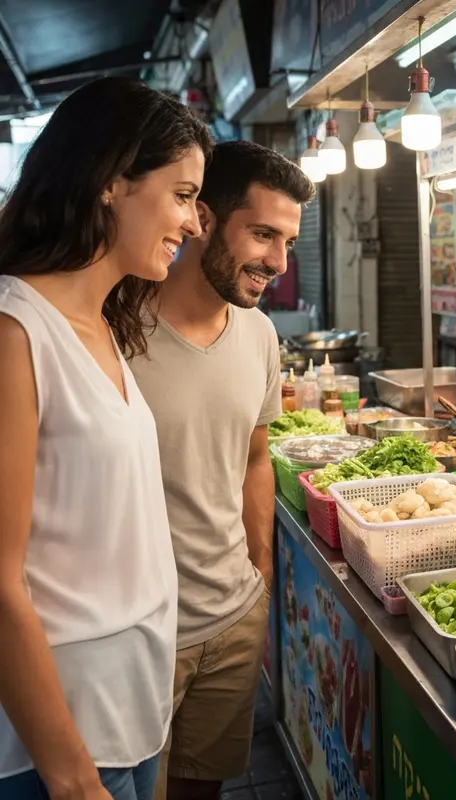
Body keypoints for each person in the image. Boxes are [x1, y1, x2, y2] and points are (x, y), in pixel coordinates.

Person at [0, 78, 211, 800]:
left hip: (133, 710)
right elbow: (0, 580)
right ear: (112, 182)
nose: (193, 222)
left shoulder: (104, 322)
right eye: (182, 195)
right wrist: (70, 776)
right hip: (63, 739)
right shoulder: (15, 331)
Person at [128, 141, 315, 800]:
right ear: (202, 219)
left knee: (202, 792)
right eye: (263, 234)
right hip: (140, 631)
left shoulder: (260, 336)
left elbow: (255, 458)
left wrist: (259, 577)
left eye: (288, 242)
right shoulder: (118, 327)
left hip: (231, 616)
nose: (278, 263)